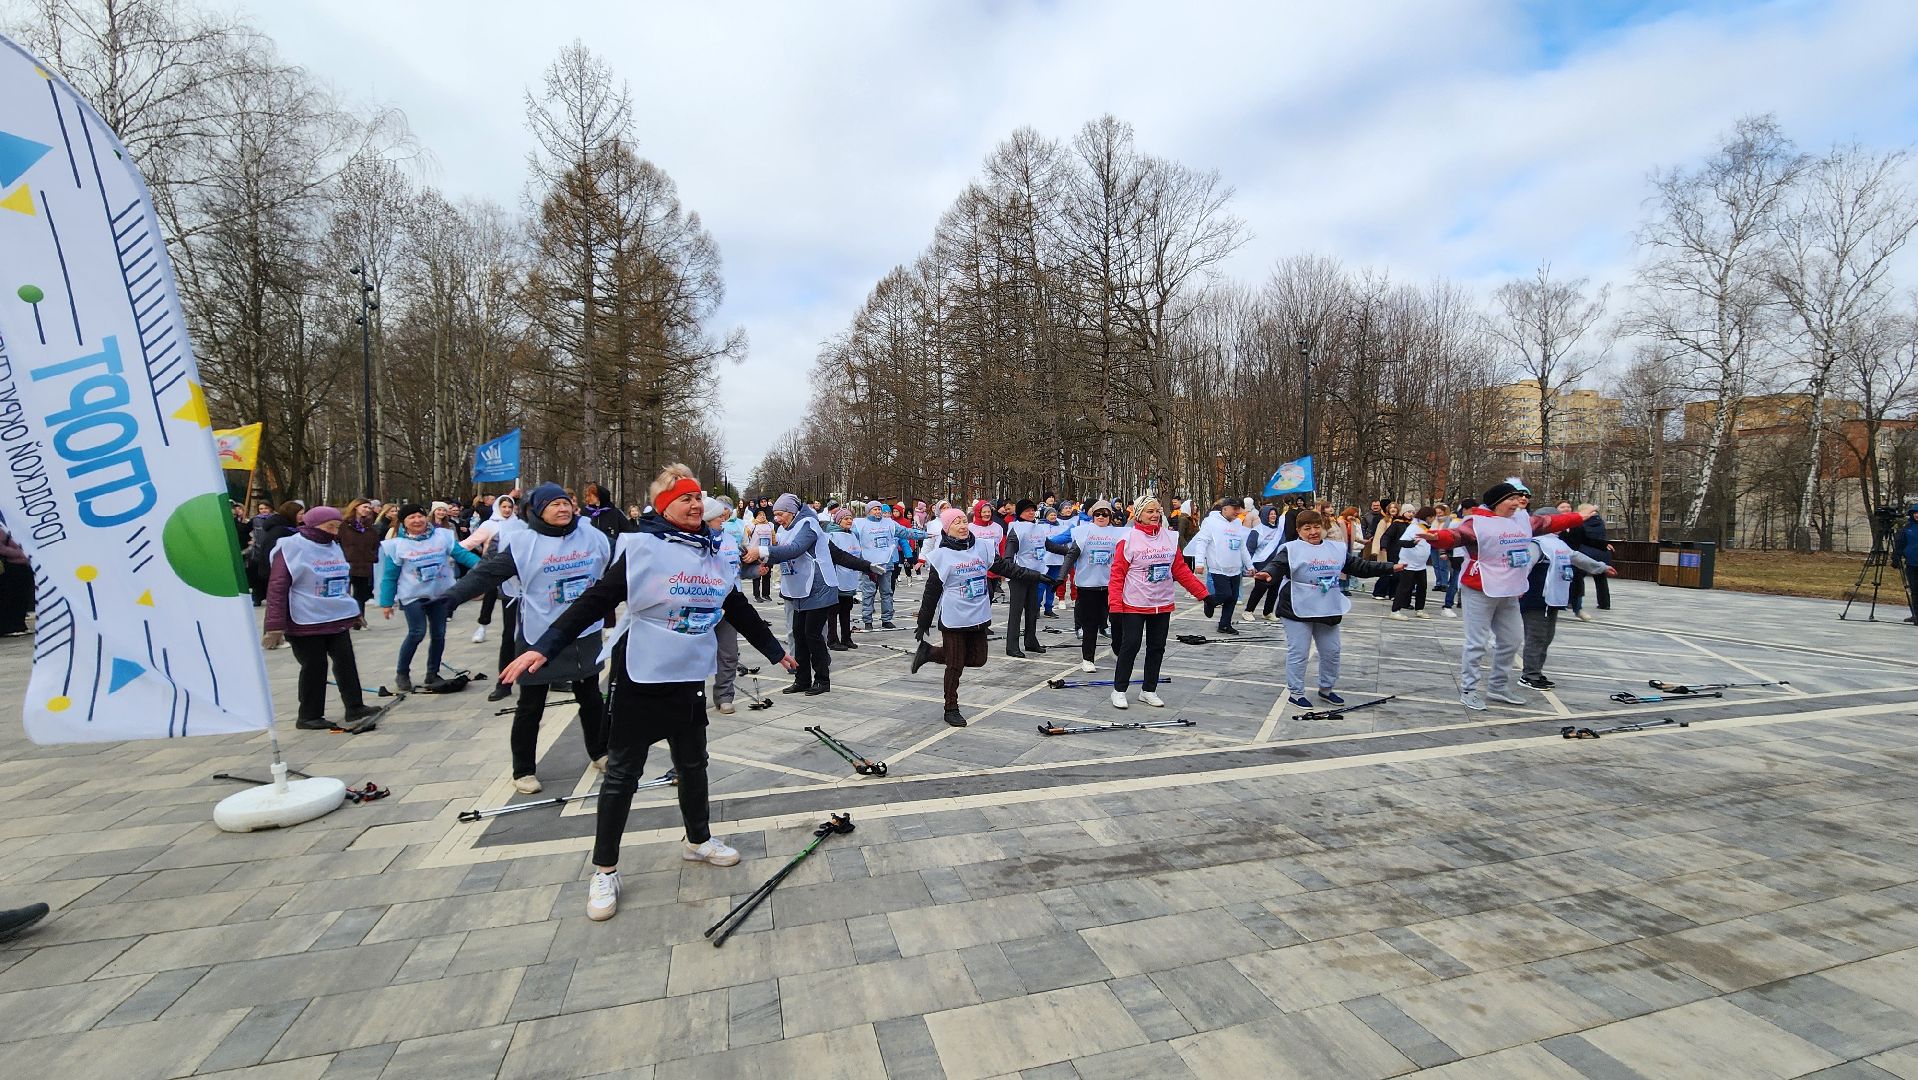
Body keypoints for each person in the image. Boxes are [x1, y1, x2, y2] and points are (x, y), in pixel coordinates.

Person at [501, 465, 794, 921]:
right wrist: (544, 647)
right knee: (622, 776)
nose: (696, 505)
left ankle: (698, 841)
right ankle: (605, 869)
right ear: (662, 506)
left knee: (693, 765)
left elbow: (734, 605)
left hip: (686, 679)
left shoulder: (714, 552)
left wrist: (776, 651)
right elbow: (595, 601)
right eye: (684, 499)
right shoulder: (639, 547)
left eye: (699, 497)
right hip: (640, 677)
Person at [446, 483, 610, 793]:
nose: (562, 509)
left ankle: (600, 752)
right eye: (553, 505)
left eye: (565, 503)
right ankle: (523, 769)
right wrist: (451, 597)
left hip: (583, 633)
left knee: (590, 696)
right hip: (539, 634)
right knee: (531, 704)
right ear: (537, 510)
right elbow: (486, 573)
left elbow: (623, 562)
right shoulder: (524, 543)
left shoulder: (592, 535)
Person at [1421, 478, 1590, 711]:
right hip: (1480, 587)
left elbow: (1550, 522)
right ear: (1497, 503)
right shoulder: (1477, 523)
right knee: (1477, 643)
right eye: (1511, 499)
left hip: (1510, 590)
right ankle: (1469, 690)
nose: (1517, 502)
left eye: (1518, 498)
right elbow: (1458, 536)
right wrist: (1437, 538)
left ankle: (1498, 686)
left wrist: (1580, 517)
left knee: (1512, 639)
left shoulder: (1521, 521)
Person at [910, 507, 1051, 726]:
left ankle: (929, 652)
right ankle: (951, 707)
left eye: (963, 521)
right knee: (955, 665)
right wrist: (923, 623)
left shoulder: (982, 547)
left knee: (978, 659)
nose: (962, 525)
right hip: (954, 617)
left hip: (978, 614)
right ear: (947, 529)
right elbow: (931, 592)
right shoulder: (941, 556)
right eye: (956, 523)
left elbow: (1007, 568)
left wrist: (1036, 576)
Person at [1252, 509, 1400, 708]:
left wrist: (1390, 567)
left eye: (1316, 527)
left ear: (1323, 528)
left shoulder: (1336, 549)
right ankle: (1296, 693)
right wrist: (1268, 574)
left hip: (1327, 606)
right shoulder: (1291, 549)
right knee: (1299, 651)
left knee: (1332, 651)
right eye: (1307, 528)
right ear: (1298, 531)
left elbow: (1360, 566)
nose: (1313, 532)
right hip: (1297, 607)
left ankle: (1326, 688)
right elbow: (1277, 565)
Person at [262, 506, 381, 731]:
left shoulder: (333, 546)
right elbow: (277, 588)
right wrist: (274, 627)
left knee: (346, 661)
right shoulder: (290, 547)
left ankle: (355, 705)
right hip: (304, 618)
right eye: (329, 527)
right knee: (314, 666)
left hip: (335, 616)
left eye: (337, 527)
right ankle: (309, 715)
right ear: (313, 525)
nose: (334, 532)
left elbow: (339, 582)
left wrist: (354, 612)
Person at [765, 493, 879, 695]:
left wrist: (867, 566)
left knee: (812, 634)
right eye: (775, 515)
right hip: (799, 590)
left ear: (791, 512)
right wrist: (760, 563)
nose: (777, 519)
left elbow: (801, 551)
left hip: (819, 588)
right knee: (799, 635)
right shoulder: (785, 530)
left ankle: (822, 680)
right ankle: (802, 680)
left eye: (780, 514)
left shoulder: (808, 525)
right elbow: (780, 554)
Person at [1107, 496, 1209, 710]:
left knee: (1157, 648)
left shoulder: (1170, 538)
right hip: (1134, 602)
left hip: (1161, 603)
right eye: (1149, 511)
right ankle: (1119, 689)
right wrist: (1115, 607)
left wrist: (1203, 595)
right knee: (1130, 645)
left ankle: (1149, 690)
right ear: (1139, 515)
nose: (1155, 515)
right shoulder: (1128, 539)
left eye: (1157, 511)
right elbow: (1117, 575)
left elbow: (1180, 570)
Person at [377, 502, 480, 692]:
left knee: (439, 634)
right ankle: (402, 672)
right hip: (412, 595)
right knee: (417, 632)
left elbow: (462, 555)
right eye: (411, 518)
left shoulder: (442, 536)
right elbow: (390, 576)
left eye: (420, 516)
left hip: (439, 592)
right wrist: (386, 602)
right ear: (404, 522)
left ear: (426, 517)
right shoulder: (397, 545)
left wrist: (482, 567)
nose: (417, 520)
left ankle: (432, 672)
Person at [1520, 532, 1617, 689]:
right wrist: (1519, 586)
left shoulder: (1559, 544)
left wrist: (1601, 567)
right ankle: (1529, 675)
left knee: (1547, 637)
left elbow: (1577, 557)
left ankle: (1536, 672)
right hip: (1535, 598)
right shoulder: (1536, 544)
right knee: (1536, 636)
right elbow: (1525, 566)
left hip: (1554, 598)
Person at [1046, 499, 1126, 672]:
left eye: (1105, 514)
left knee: (1117, 621)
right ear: (1092, 516)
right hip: (1088, 585)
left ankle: (1116, 649)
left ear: (1110, 516)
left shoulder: (1119, 533)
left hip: (1111, 585)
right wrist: (1061, 577)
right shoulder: (1083, 532)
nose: (1101, 517)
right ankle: (1088, 658)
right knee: (1090, 624)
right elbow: (1071, 555)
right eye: (1097, 514)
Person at [462, 494, 522, 693]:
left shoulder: (522, 526)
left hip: (528, 588)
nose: (507, 510)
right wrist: (476, 564)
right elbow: (467, 545)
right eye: (503, 506)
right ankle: (504, 682)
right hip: (499, 578)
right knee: (509, 633)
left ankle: (552, 677)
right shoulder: (490, 526)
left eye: (510, 507)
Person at [851, 499, 922, 629]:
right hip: (869, 564)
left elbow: (906, 533)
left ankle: (887, 619)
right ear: (868, 511)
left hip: (886, 563)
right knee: (869, 592)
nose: (878, 511)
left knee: (887, 592)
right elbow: (850, 539)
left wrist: (924, 535)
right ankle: (868, 620)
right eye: (875, 509)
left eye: (879, 509)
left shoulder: (890, 524)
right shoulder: (860, 525)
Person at [1192, 500, 1254, 634]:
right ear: (1225, 509)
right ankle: (1210, 601)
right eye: (1234, 509)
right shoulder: (1211, 522)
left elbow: (1242, 546)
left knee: (1233, 598)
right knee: (1224, 594)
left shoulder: (1238, 523)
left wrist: (1250, 565)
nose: (1237, 512)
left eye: (1239, 509)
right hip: (1218, 567)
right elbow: (1202, 542)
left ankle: (1224, 624)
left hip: (1235, 567)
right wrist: (1199, 563)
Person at [1003, 499, 1053, 657]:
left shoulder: (1038, 528)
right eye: (1027, 510)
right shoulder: (1016, 529)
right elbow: (1009, 554)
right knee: (1016, 612)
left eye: (1033, 509)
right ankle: (1012, 646)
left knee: (1033, 609)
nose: (1031, 512)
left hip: (1035, 574)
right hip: (1019, 575)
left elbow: (1049, 546)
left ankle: (1031, 641)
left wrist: (1071, 552)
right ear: (1020, 513)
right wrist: (1010, 569)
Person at [1563, 502, 1613, 619]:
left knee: (1577, 579)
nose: (1566, 509)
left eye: (1568, 507)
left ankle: (1574, 605)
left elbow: (1586, 539)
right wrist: (1604, 545)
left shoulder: (1579, 524)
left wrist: (1602, 544)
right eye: (1562, 507)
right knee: (1593, 579)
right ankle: (1603, 603)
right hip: (1594, 555)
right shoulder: (1599, 522)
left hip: (1581, 555)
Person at [247, 501, 300, 606]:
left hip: (269, 555)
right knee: (260, 580)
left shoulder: (290, 525)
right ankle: (258, 597)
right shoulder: (273, 526)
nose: (263, 511)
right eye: (261, 509)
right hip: (261, 552)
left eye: (265, 508)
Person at [1389, 507, 1438, 619]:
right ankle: (1395, 610)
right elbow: (1402, 541)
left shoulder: (1427, 527)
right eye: (1432, 517)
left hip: (1420, 564)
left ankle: (1419, 609)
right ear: (1428, 517)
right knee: (1404, 587)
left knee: (1422, 587)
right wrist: (1413, 543)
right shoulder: (1414, 527)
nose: (1433, 519)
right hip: (1409, 563)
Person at [824, 507, 863, 651]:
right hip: (836, 579)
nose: (849, 521)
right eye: (846, 519)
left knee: (847, 609)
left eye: (851, 518)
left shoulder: (852, 535)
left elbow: (858, 554)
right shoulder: (832, 536)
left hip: (850, 578)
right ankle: (832, 639)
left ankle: (847, 638)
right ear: (839, 520)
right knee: (833, 611)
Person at [1241, 504, 1286, 622]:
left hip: (1277, 563)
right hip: (1261, 562)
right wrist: (1249, 565)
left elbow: (1283, 546)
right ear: (1265, 515)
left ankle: (1268, 612)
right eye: (1270, 514)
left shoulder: (1279, 530)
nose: (1273, 516)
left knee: (1275, 588)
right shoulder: (1257, 530)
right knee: (1260, 588)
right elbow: (1249, 548)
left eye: (1275, 513)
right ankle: (1248, 611)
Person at [337, 498, 382, 609]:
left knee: (360, 595)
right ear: (356, 507)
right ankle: (345, 620)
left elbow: (375, 544)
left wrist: (372, 556)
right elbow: (337, 542)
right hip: (347, 564)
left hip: (364, 565)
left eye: (369, 508)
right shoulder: (344, 526)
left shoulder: (370, 528)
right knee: (344, 594)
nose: (367, 510)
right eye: (365, 507)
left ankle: (359, 618)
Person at [0, 524, 33, 637]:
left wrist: (5, 551)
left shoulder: (9, 532)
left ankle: (14, 624)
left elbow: (27, 557)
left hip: (15, 572)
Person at [748, 510, 775, 602]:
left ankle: (766, 594)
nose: (762, 516)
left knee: (767, 574)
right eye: (760, 515)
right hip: (756, 553)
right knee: (756, 574)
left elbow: (773, 537)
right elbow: (745, 535)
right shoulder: (752, 525)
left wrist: (774, 546)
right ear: (756, 516)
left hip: (767, 552)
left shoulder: (770, 525)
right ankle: (756, 595)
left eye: (764, 514)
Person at [1898, 506, 1918, 625]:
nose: (1917, 515)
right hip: (1911, 564)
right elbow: (1901, 543)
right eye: (1915, 513)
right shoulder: (1907, 528)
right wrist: (1897, 556)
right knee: (1915, 590)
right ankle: (1915, 614)